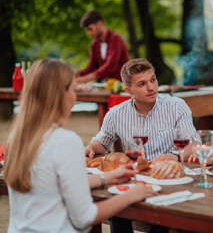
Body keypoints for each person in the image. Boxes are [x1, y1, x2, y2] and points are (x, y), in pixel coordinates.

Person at [3, 58, 156, 232]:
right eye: (73, 90)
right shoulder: (65, 141)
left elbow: (51, 184)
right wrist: (132, 195)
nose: (75, 97)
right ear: (60, 94)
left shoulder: (18, 137)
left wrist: (108, 177)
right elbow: (85, 217)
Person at [85, 58, 199, 163]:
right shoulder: (115, 114)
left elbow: (194, 144)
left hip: (170, 173)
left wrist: (176, 155)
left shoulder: (177, 106)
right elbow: (101, 143)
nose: (151, 87)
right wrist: (91, 147)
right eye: (142, 84)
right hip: (136, 174)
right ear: (129, 91)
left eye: (153, 80)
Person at [75, 10, 129, 83]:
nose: (89, 33)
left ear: (100, 24)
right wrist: (78, 74)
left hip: (122, 86)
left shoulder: (115, 39)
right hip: (106, 86)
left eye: (90, 29)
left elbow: (110, 66)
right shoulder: (94, 44)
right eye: (87, 30)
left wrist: (85, 79)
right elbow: (91, 67)